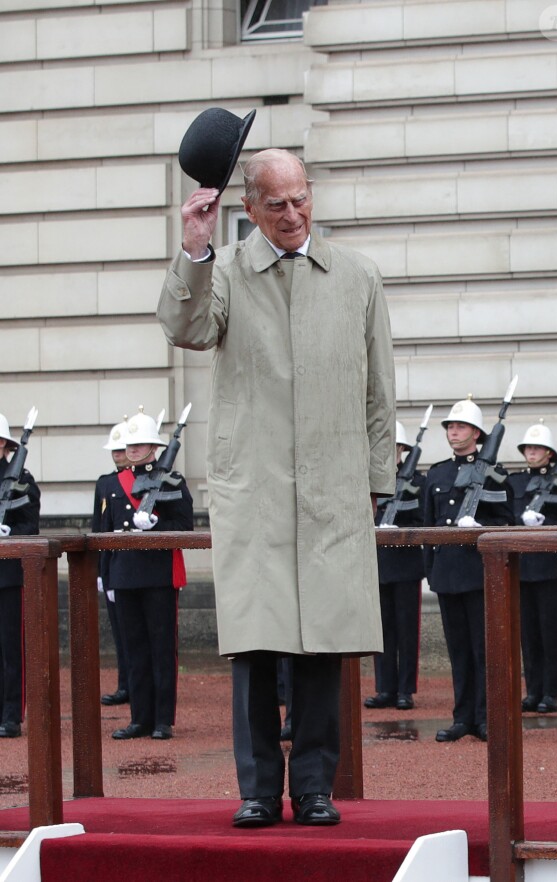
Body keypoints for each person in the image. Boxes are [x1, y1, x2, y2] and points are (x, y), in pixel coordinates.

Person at [157, 147, 396, 827]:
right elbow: (185, 328)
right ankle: (259, 790)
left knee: (323, 643)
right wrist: (194, 249)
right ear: (250, 208)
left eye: (301, 200)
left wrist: (378, 480)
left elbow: (381, 387)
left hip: (334, 485)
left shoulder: (357, 275)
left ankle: (316, 786)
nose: (292, 216)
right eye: (276, 204)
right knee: (256, 645)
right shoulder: (225, 270)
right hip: (255, 486)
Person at [423, 397, 513, 743]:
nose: (453, 431)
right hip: (447, 573)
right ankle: (462, 717)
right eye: (449, 426)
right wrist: (431, 571)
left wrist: (478, 523)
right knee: (458, 651)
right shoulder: (438, 473)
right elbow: (430, 531)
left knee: (483, 650)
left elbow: (507, 521)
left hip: (479, 574)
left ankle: (485, 716)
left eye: (459, 426)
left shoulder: (494, 473)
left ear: (476, 433)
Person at [100, 408, 193, 740]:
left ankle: (162, 720)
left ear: (154, 448)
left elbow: (185, 527)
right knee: (134, 649)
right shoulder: (114, 483)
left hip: (157, 574)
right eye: (130, 445)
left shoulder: (171, 479)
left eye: (140, 445)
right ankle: (140, 717)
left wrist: (156, 525)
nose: (133, 449)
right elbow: (107, 533)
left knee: (161, 648)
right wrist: (106, 576)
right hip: (125, 574)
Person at [507, 423, 557, 714]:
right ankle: (533, 690)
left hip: (550, 567)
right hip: (522, 567)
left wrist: (545, 525)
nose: (531, 452)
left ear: (549, 453)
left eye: (537, 448)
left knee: (551, 633)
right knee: (528, 633)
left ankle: (551, 692)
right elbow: (507, 518)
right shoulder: (514, 482)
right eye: (528, 448)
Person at [365, 420, 425, 711]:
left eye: (395, 447)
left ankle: (405, 689)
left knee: (406, 630)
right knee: (382, 630)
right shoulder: (368, 479)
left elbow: (424, 520)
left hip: (406, 564)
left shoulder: (417, 482)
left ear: (403, 449)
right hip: (378, 564)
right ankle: (385, 687)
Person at [0, 413, 41, 738]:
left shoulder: (21, 481)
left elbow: (31, 526)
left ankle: (11, 713)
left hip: (7, 576)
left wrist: (8, 531)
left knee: (11, 647)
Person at [93, 419, 131, 707]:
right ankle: (124, 682)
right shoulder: (105, 483)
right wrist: (99, 571)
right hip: (113, 564)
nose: (117, 454)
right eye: (114, 450)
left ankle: (134, 685)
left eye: (122, 449)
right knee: (119, 632)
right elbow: (100, 527)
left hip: (133, 566)